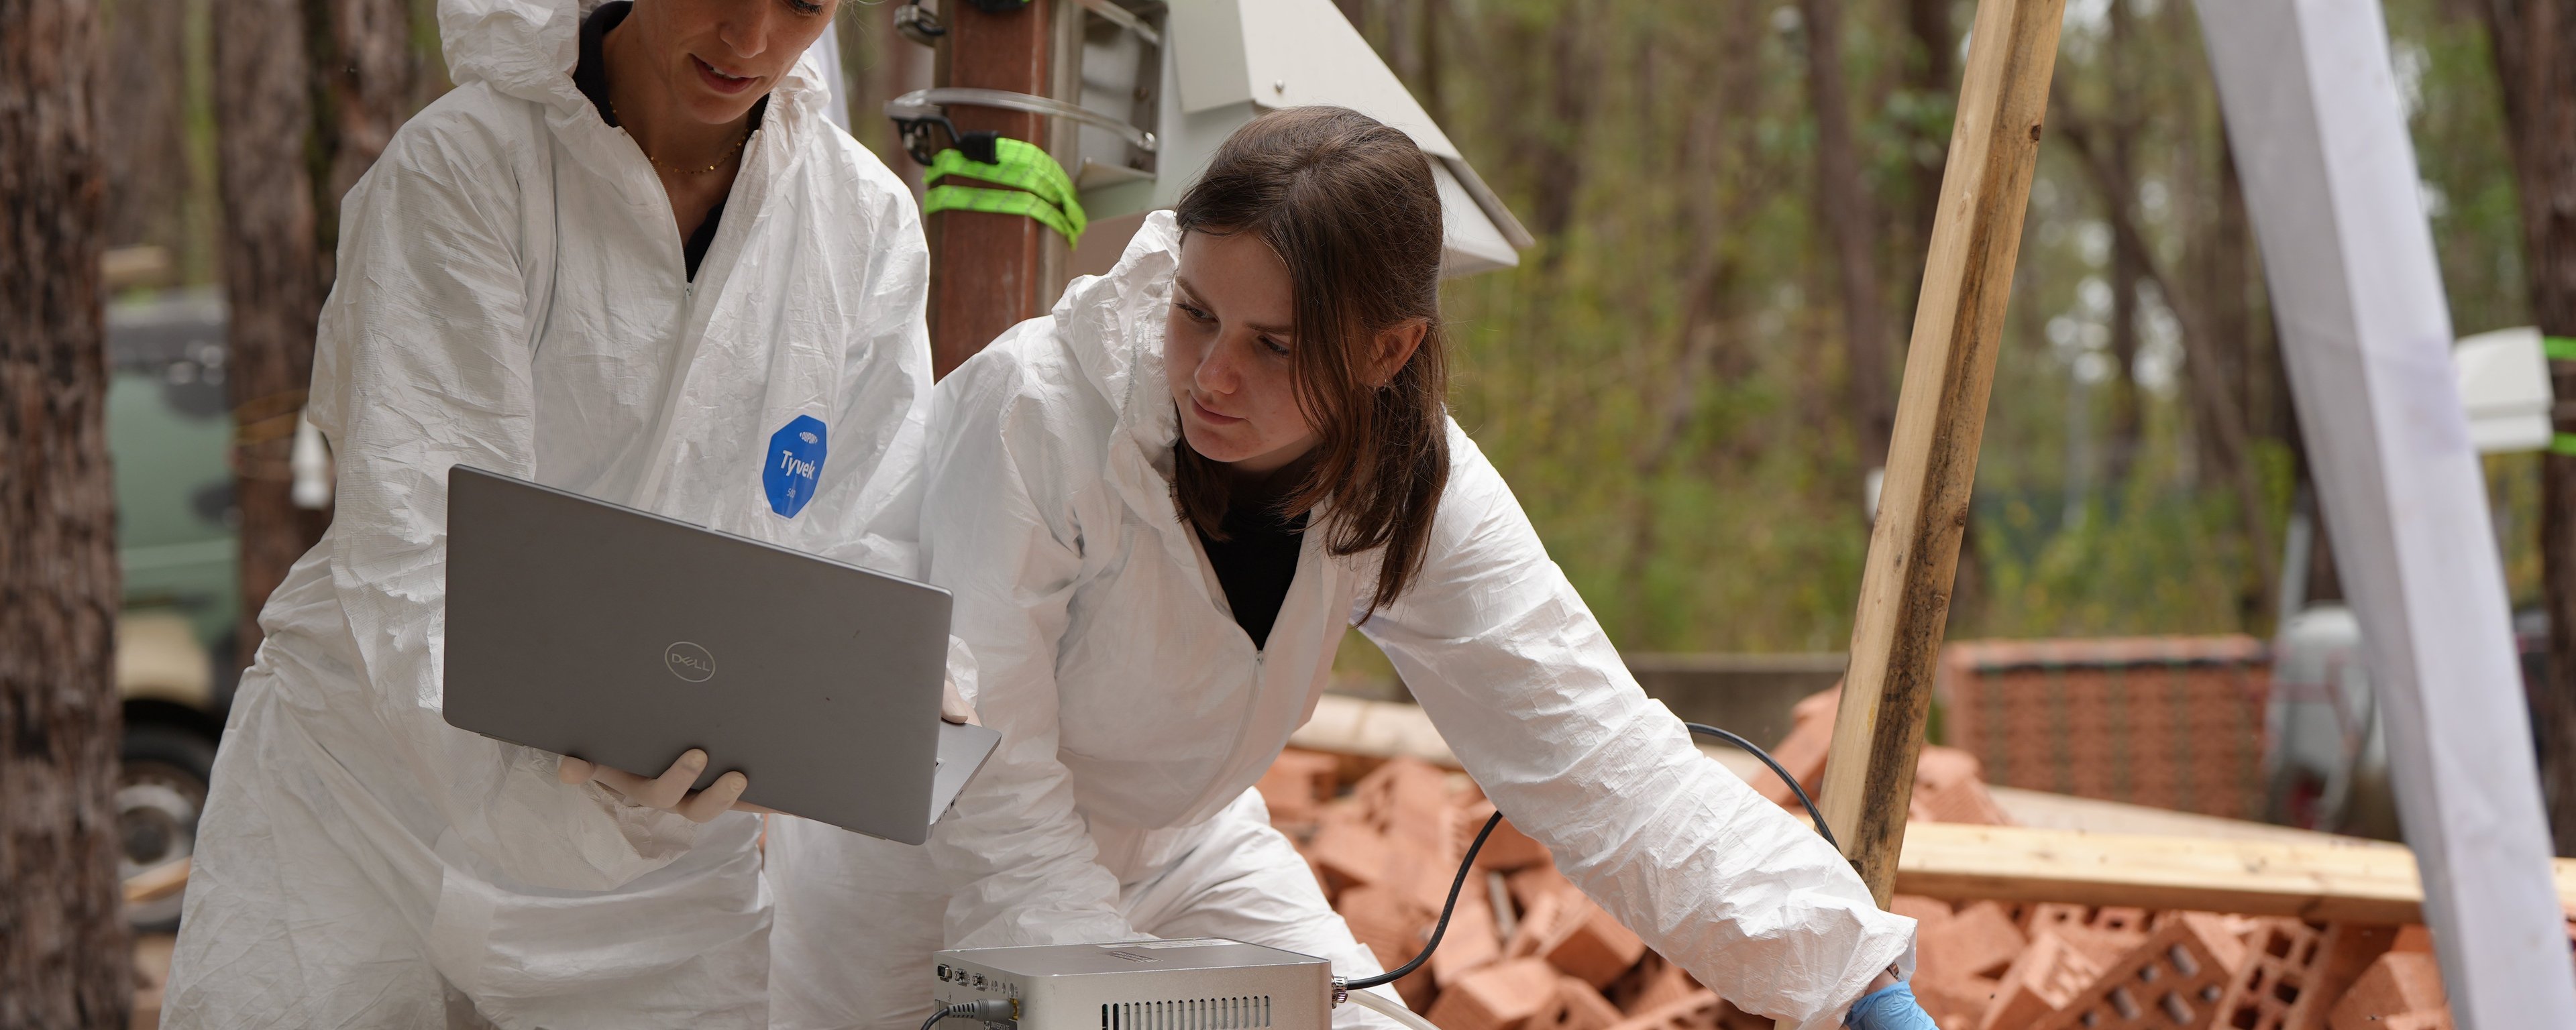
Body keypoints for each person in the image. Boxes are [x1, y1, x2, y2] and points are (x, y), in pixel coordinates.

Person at [766, 107, 1935, 1030]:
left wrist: (1851, 971)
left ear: (1390, 350)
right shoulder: (1041, 414)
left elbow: (1602, 762)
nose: (1212, 376)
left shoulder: (1412, 483)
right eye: (1193, 313)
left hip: (1182, 852)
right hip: (920, 885)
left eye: (1272, 346)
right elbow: (994, 778)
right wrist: (1113, 1001)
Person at [163, 0, 932, 1026]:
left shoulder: (862, 224)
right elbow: (422, 544)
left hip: (658, 861)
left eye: (800, 1)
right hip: (370, 807)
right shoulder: (466, 169)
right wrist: (569, 800)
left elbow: (863, 535)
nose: (750, 38)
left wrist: (871, 689)